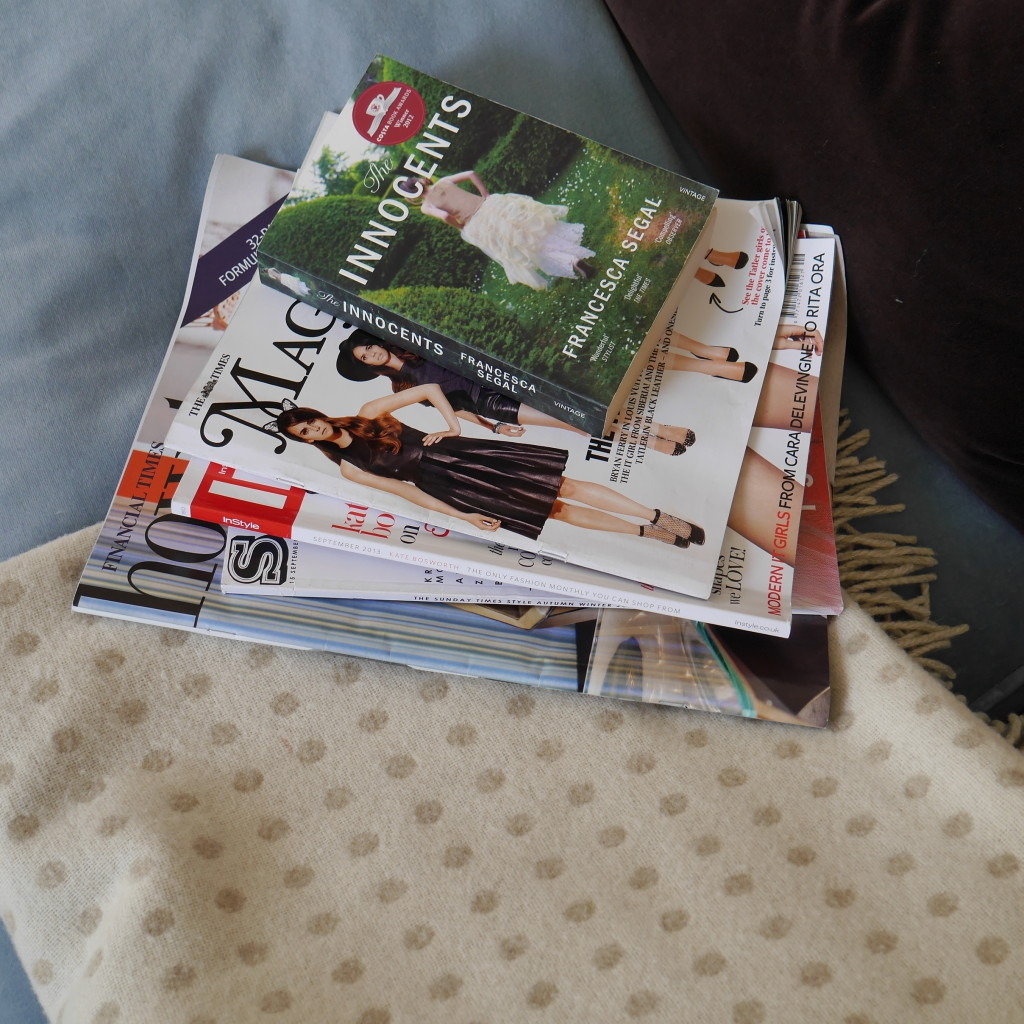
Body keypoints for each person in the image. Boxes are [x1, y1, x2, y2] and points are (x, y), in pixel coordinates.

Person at [271, 384, 706, 548]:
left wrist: (451, 426)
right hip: (450, 488)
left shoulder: (370, 411)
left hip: (467, 455)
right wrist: (464, 516)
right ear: (305, 441)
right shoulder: (347, 469)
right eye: (304, 435)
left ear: (315, 414)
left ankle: (657, 516)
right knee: (556, 512)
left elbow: (428, 387)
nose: (312, 431)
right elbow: (409, 493)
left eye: (308, 423)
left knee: (564, 487)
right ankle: (646, 533)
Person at [335, 330, 697, 455]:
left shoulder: (417, 347)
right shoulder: (401, 387)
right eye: (365, 357)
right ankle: (650, 441)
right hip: (490, 402)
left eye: (368, 347)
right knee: (573, 422)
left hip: (501, 377)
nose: (372, 354)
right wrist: (493, 427)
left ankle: (661, 427)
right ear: (368, 365)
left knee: (577, 404)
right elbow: (453, 408)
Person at [414, 170, 595, 289]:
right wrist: (485, 193)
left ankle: (571, 259)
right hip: (491, 206)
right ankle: (570, 256)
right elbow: (471, 173)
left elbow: (446, 216)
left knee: (522, 247)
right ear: (421, 181)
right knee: (530, 233)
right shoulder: (444, 181)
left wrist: (461, 227)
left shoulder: (426, 206)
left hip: (478, 223)